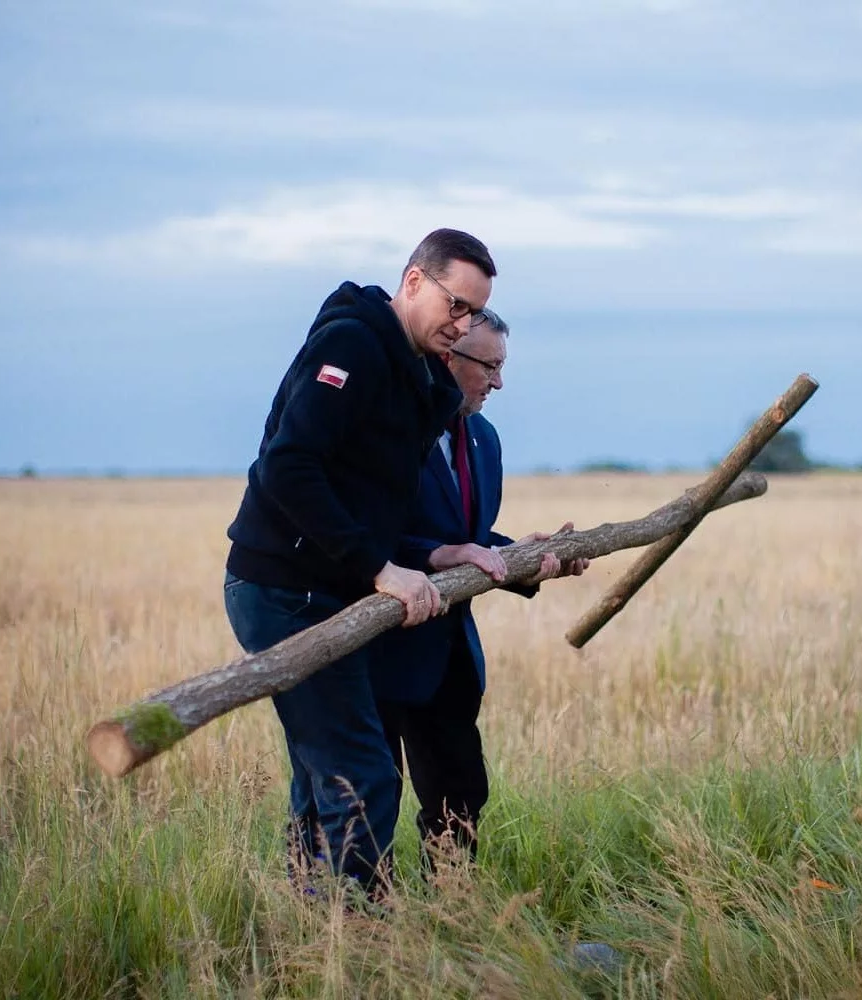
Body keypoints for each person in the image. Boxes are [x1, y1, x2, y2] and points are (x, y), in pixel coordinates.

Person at [221, 228, 499, 901]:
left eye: (472, 312)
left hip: (331, 588)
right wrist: (379, 568)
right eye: (455, 305)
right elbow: (287, 467)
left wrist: (437, 553)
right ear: (412, 282)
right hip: (282, 589)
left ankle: (316, 920)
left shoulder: (413, 372)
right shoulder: (351, 344)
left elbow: (377, 502)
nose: (461, 326)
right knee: (362, 775)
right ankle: (359, 942)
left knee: (328, 772)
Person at [369, 308, 589, 875]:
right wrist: (432, 557)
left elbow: (466, 540)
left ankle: (452, 916)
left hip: (448, 655)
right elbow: (367, 531)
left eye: (502, 367)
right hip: (373, 649)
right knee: (365, 797)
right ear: (448, 356)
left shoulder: (485, 438)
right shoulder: (391, 427)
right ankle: (356, 928)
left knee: (460, 795)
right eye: (489, 366)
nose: (498, 382)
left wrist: (523, 556)